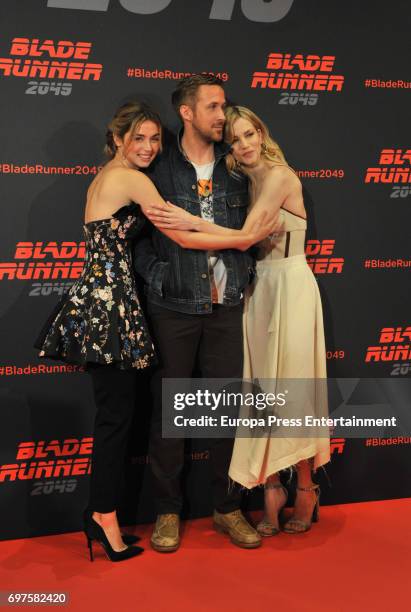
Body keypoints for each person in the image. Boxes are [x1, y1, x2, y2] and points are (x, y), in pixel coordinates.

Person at [35, 99, 275, 561]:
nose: (147, 146)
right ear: (117, 140)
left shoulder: (110, 176)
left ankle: (100, 514)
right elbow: (180, 232)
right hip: (109, 307)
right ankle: (103, 516)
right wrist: (244, 239)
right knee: (115, 420)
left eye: (153, 138)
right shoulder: (127, 178)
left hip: (110, 302)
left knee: (116, 418)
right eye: (137, 138)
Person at [146, 104, 331, 537]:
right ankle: (270, 488)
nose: (244, 145)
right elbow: (246, 243)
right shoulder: (243, 179)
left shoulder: (281, 176)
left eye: (250, 134)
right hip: (255, 290)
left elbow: (247, 236)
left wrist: (190, 222)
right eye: (235, 139)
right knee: (260, 393)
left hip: (291, 287)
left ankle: (305, 487)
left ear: (262, 132)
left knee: (294, 388)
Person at [134, 75, 279, 553]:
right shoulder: (158, 165)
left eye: (223, 107)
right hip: (172, 306)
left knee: (224, 412)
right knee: (168, 416)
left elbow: (261, 225)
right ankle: (167, 512)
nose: (223, 116)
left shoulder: (238, 166)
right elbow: (132, 237)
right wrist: (158, 278)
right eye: (213, 107)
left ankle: (228, 507)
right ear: (187, 112)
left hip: (226, 308)